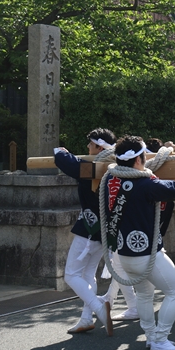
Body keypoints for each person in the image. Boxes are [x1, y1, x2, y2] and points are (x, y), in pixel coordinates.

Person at [103, 135, 175, 350]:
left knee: (145, 294)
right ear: (139, 159)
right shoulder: (146, 185)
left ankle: (150, 336)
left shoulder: (110, 179)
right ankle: (160, 338)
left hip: (124, 254)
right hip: (146, 255)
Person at [55, 128, 117, 336]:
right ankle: (86, 318)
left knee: (71, 275)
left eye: (90, 144)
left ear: (99, 147)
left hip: (89, 229)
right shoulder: (116, 167)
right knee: (87, 273)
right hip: (105, 230)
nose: (88, 147)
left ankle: (99, 309)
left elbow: (68, 163)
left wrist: (60, 151)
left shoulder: (93, 167)